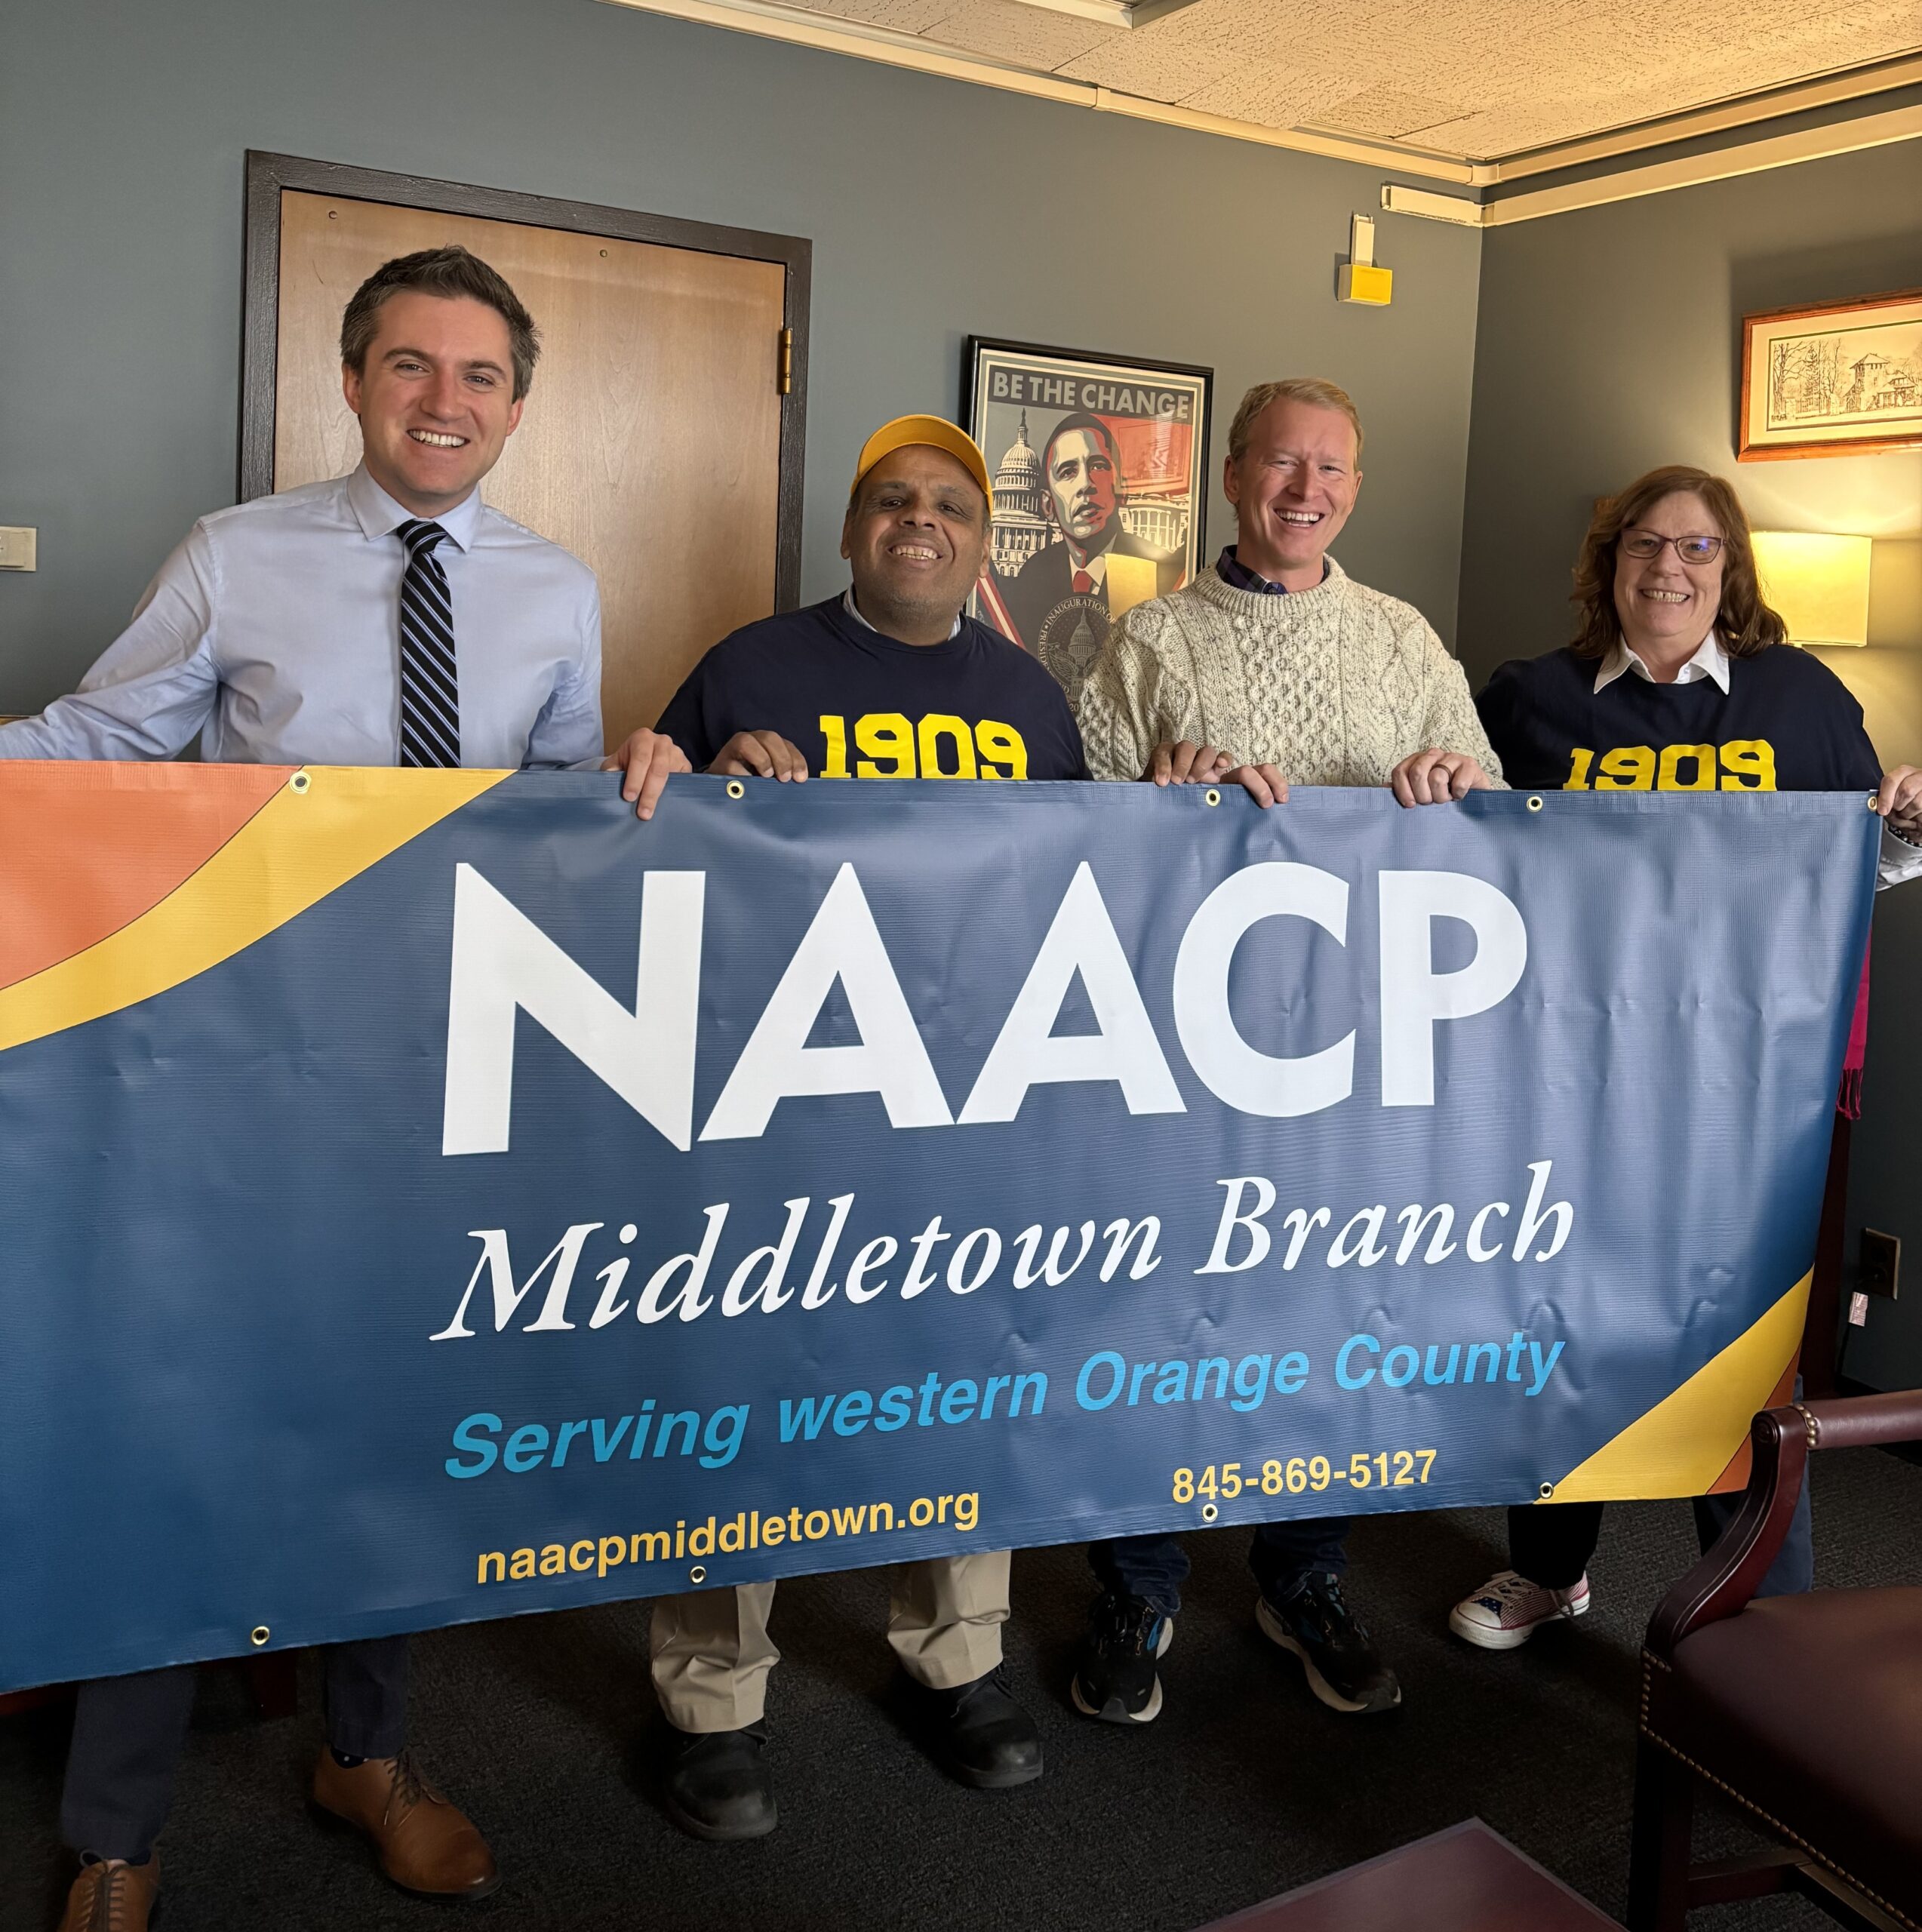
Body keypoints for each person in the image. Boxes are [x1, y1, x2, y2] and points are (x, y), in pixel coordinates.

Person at [3, 244, 685, 1932]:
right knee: (175, 1426)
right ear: (353, 377)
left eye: (477, 376)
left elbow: (554, 834)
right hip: (234, 1065)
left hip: (441, 1077)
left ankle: (364, 1753)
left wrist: (634, 780)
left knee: (393, 1420)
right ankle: (115, 1824)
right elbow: (101, 741)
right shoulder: (238, 556)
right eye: (408, 366)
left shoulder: (555, 586)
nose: (441, 401)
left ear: (516, 403)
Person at [627, 414, 1083, 1844]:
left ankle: (954, 1659)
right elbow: (626, 855)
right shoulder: (749, 666)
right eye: (893, 501)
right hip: (774, 1099)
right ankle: (712, 1693)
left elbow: (1087, 892)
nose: (920, 521)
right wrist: (700, 782)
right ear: (849, 529)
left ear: (979, 539)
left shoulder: (1029, 693)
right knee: (743, 1379)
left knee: (963, 1376)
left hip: (966, 1102)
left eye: (951, 504)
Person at [1069, 377, 1502, 1728]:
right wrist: (1155, 809)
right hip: (1181, 1058)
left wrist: (1450, 788)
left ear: (1353, 489)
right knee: (1154, 1319)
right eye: (1280, 464)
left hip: (1358, 1063)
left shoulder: (1401, 638)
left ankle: (1301, 1574)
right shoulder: (1149, 641)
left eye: (1331, 468)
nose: (1304, 489)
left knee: (1324, 1325)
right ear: (1232, 477)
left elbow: (1491, 818)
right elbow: (1067, 854)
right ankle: (1136, 1584)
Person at [1450, 462, 1922, 1651]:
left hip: (1743, 1100)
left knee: (1740, 1347)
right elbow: (1465, 878)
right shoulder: (1528, 699)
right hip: (1566, 1083)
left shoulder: (1799, 698)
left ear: (1730, 568)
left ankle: (1764, 1622)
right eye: (1640, 546)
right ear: (1606, 564)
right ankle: (1549, 1573)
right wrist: (1434, 784)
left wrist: (1908, 825)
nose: (1665, 568)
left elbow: (1847, 876)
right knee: (1556, 1322)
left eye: (1695, 548)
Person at [1000, 411, 1181, 694]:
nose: (1086, 484)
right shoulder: (1031, 577)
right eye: (1068, 471)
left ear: (1122, 489)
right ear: (1048, 505)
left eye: (1098, 466)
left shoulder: (1158, 576)